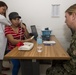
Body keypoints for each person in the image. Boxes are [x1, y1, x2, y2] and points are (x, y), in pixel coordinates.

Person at [46, 4, 76, 75]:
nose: (65, 21)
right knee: (55, 61)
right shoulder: (74, 32)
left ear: (73, 16)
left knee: (49, 71)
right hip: (70, 63)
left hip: (72, 69)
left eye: (66, 17)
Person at [0, 1, 11, 75]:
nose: (4, 11)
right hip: (0, 38)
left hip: (2, 38)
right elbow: (9, 24)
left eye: (5, 10)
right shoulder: (1, 17)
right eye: (3, 9)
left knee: (1, 54)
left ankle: (1, 67)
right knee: (0, 54)